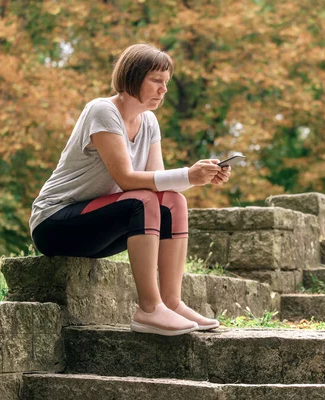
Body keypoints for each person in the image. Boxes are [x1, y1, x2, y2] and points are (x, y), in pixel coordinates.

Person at [29, 43, 231, 336]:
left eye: (167, 83)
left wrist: (201, 176)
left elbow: (158, 183)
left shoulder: (149, 121)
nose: (163, 90)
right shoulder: (102, 111)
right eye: (156, 81)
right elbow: (127, 179)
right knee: (142, 200)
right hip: (55, 223)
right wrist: (189, 174)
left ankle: (172, 303)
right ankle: (148, 309)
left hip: (99, 225)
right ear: (133, 76)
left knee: (173, 201)